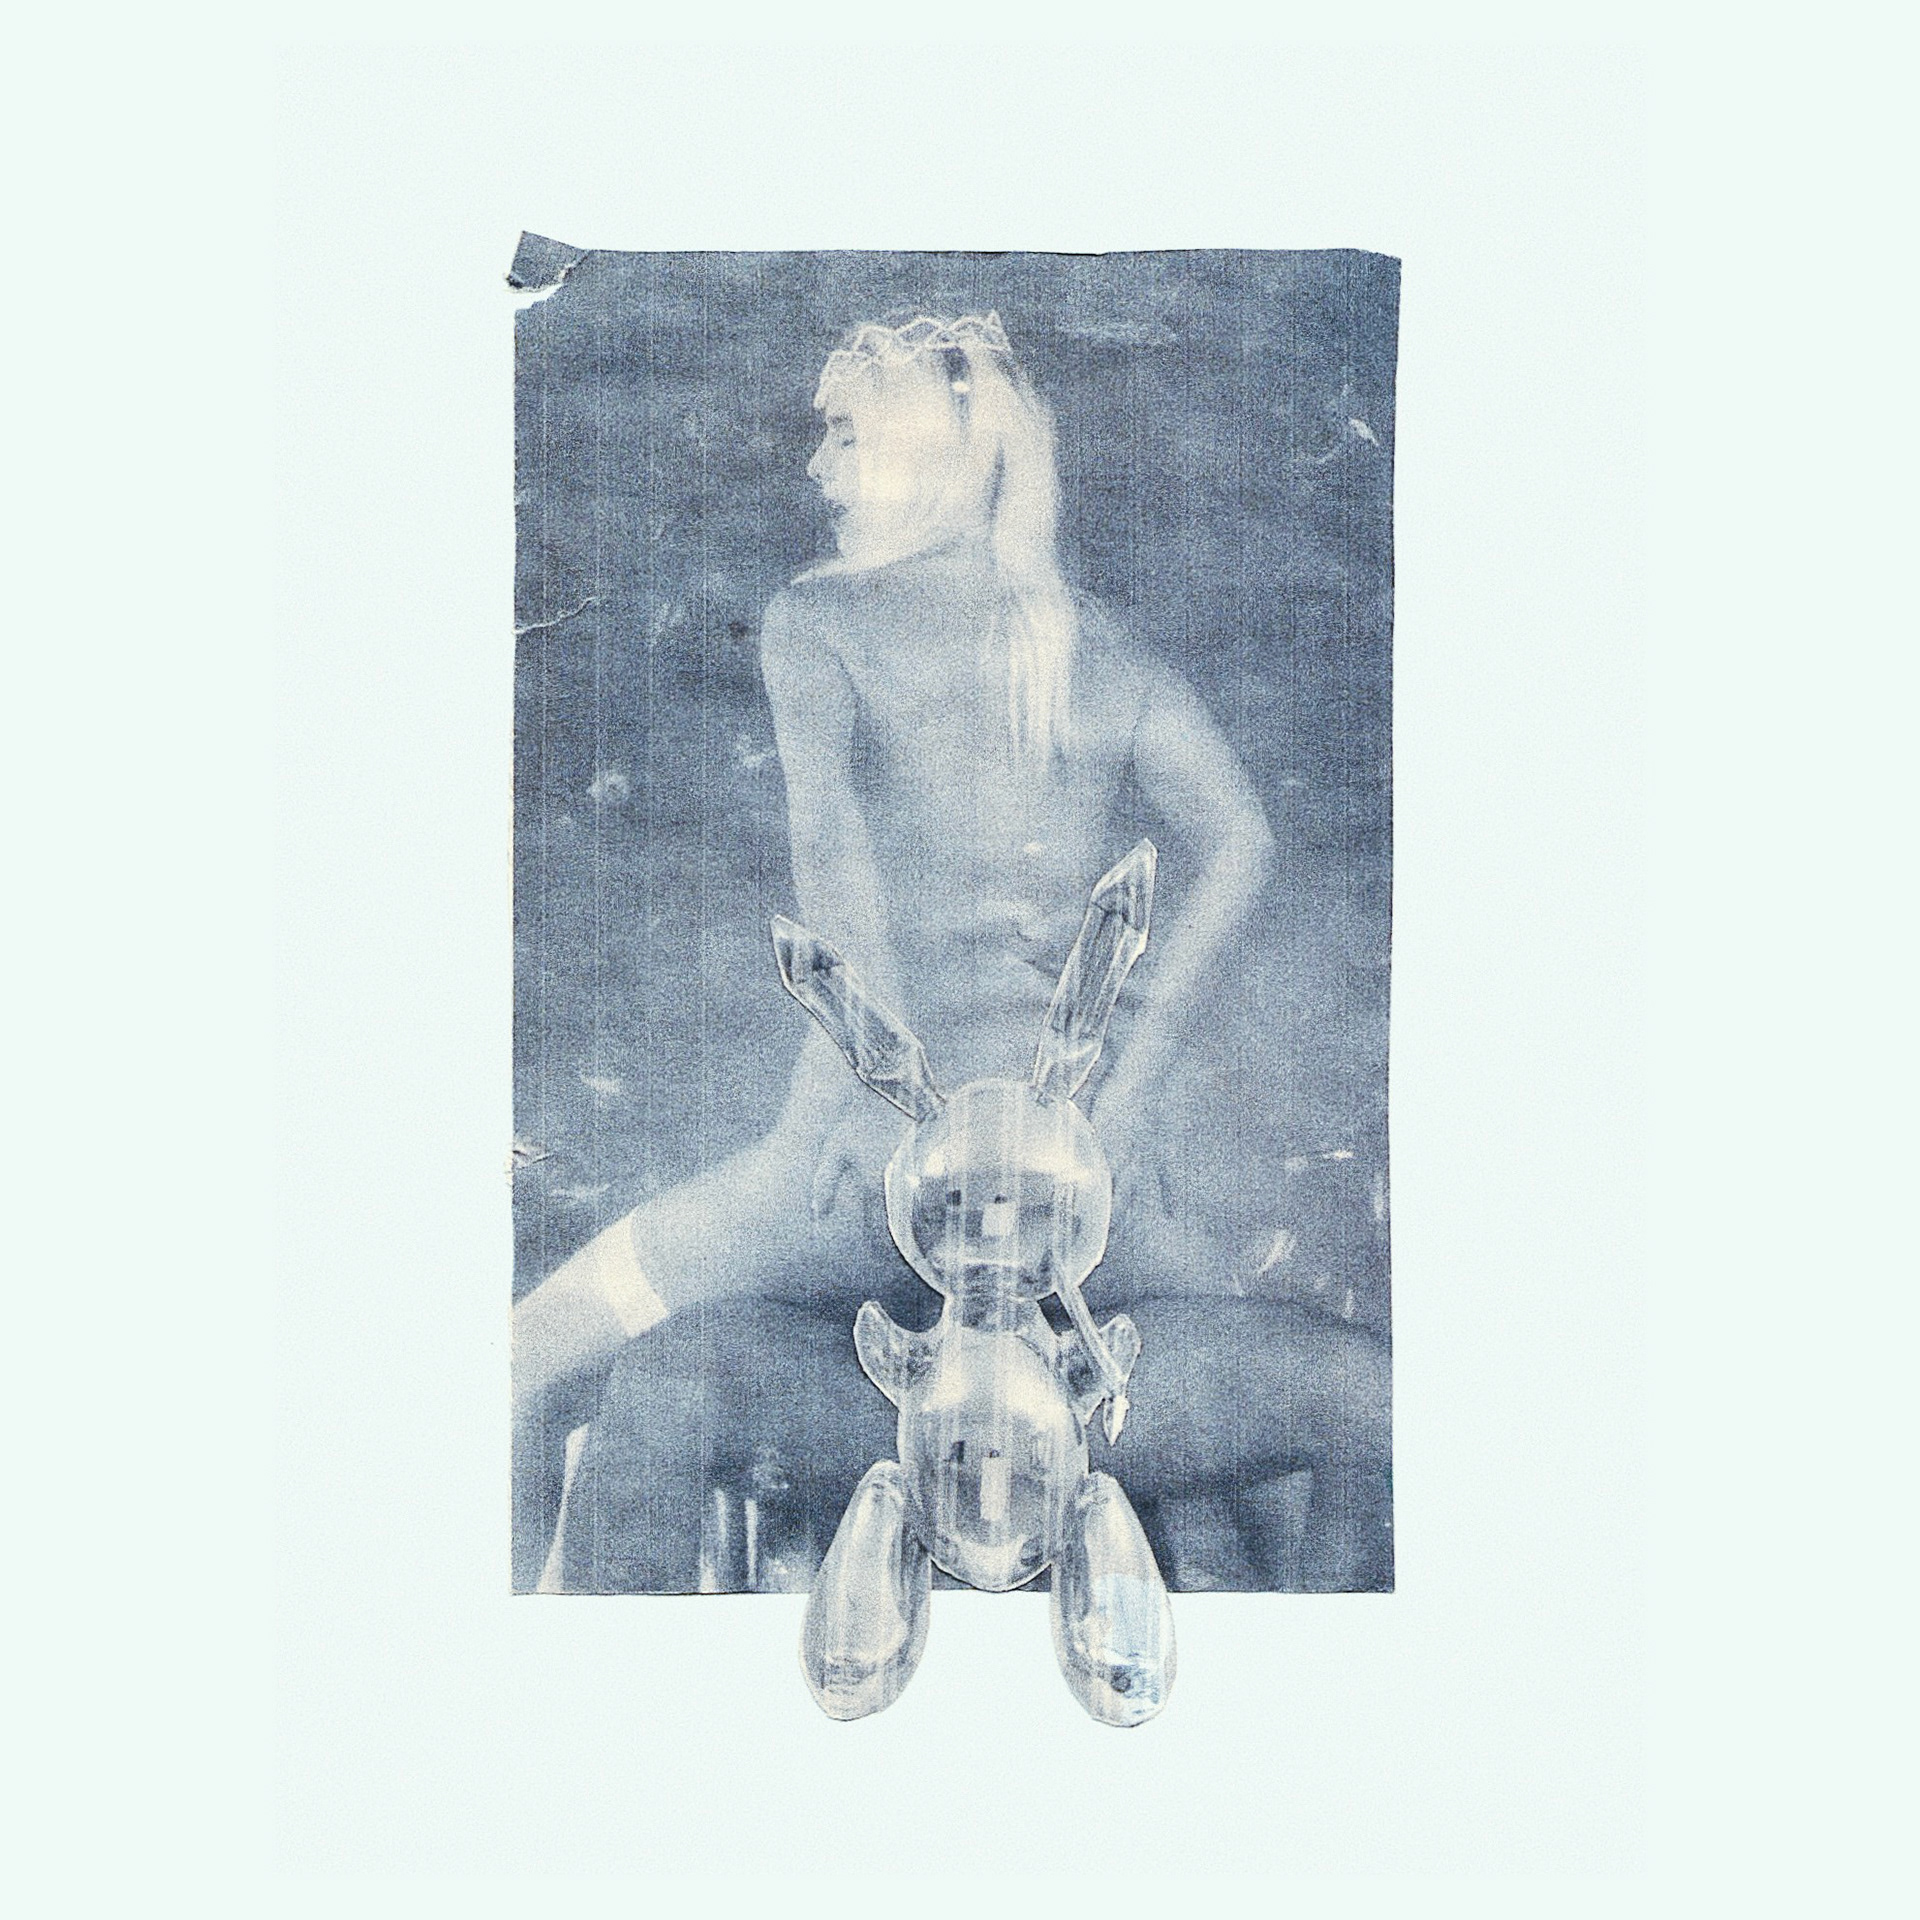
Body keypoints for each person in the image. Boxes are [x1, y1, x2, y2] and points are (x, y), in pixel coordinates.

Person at [512, 311, 1391, 1594]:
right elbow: (1243, 841)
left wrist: (834, 1115)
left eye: (843, 435)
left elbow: (841, 885)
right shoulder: (1099, 646)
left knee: (522, 1363)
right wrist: (1132, 1087)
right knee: (1325, 1433)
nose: (816, 466)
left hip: (874, 1167)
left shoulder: (820, 622)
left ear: (919, 451)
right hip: (1077, 1186)